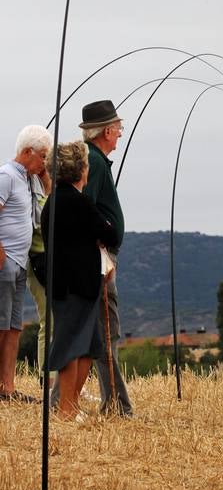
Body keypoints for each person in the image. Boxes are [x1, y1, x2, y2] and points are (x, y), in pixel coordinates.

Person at [42, 141, 118, 419]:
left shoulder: (53, 202)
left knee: (88, 344)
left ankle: (72, 407)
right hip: (78, 286)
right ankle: (65, 409)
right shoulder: (79, 201)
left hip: (64, 284)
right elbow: (110, 234)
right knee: (72, 344)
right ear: (80, 170)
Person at [79, 100, 132, 416]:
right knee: (107, 331)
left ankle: (114, 404)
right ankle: (117, 406)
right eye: (118, 128)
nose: (121, 134)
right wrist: (103, 241)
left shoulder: (95, 160)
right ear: (107, 131)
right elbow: (87, 209)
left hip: (99, 256)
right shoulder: (96, 163)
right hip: (100, 258)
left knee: (101, 332)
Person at [0, 125, 53, 401]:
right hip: (6, 261)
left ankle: (7, 388)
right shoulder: (7, 176)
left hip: (20, 263)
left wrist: (44, 174)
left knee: (13, 327)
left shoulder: (29, 179)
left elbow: (48, 199)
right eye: (43, 156)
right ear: (27, 152)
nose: (45, 162)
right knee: (1, 326)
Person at [26, 167, 53, 387]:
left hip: (55, 264)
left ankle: (61, 381)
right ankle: (49, 381)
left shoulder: (51, 188)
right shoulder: (31, 191)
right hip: (39, 264)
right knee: (49, 321)